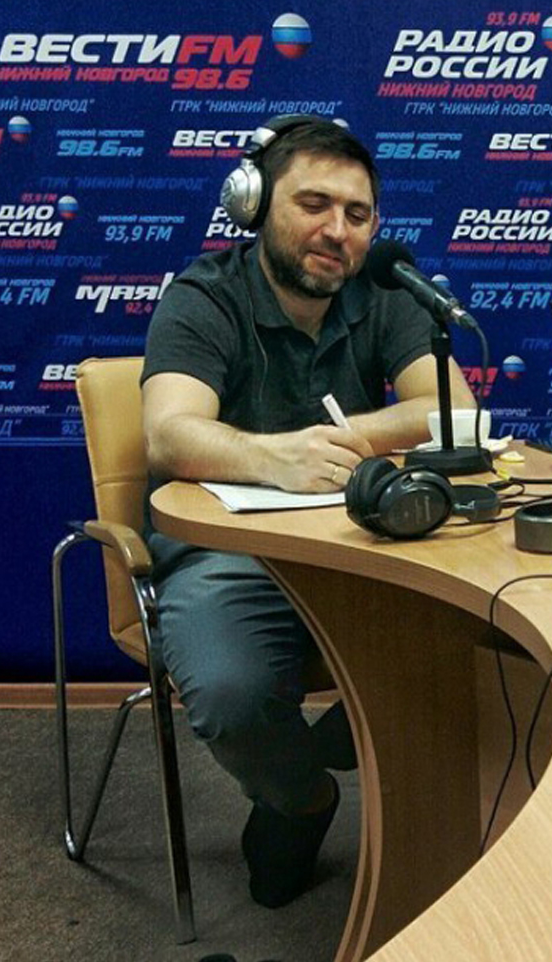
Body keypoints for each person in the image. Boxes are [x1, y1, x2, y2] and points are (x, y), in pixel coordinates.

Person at [140, 117, 476, 908]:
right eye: (314, 204)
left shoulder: (385, 291)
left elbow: (453, 412)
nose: (337, 231)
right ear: (256, 206)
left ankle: (409, 792)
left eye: (357, 214)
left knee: (484, 643)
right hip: (234, 552)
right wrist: (272, 456)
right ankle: (303, 798)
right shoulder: (205, 294)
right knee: (233, 695)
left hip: (363, 544)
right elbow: (167, 432)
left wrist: (350, 436)